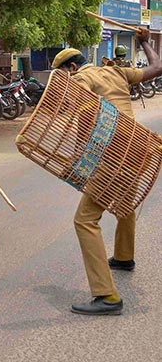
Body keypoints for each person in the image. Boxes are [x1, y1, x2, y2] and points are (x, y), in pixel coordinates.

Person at [51, 27, 162, 315]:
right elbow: (158, 67)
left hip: (115, 155)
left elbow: (83, 109)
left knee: (85, 220)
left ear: (72, 67)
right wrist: (144, 41)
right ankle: (124, 257)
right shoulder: (116, 72)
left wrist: (81, 161)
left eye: (63, 75)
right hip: (140, 148)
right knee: (123, 202)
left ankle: (106, 296)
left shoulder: (80, 78)